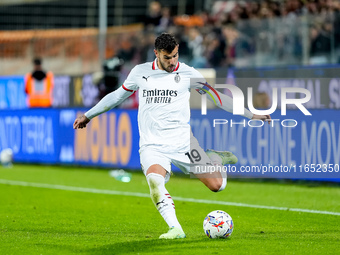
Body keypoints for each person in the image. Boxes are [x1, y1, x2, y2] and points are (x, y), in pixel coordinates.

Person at [73, 33, 270, 239]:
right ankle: (176, 229)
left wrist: (250, 114)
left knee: (217, 186)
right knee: (155, 182)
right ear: (156, 53)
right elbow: (116, 96)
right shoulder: (140, 72)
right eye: (167, 57)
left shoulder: (189, 73)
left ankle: (215, 159)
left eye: (175, 56)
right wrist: (88, 115)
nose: (172, 61)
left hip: (184, 144)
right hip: (153, 145)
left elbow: (218, 97)